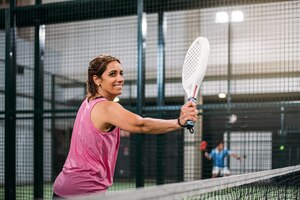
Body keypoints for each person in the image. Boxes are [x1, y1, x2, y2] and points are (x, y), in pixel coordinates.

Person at [52, 54, 198, 198]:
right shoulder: (106, 107)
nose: (120, 79)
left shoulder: (87, 103)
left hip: (66, 187)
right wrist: (179, 122)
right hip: (82, 192)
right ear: (97, 79)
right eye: (112, 74)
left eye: (121, 73)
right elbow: (141, 124)